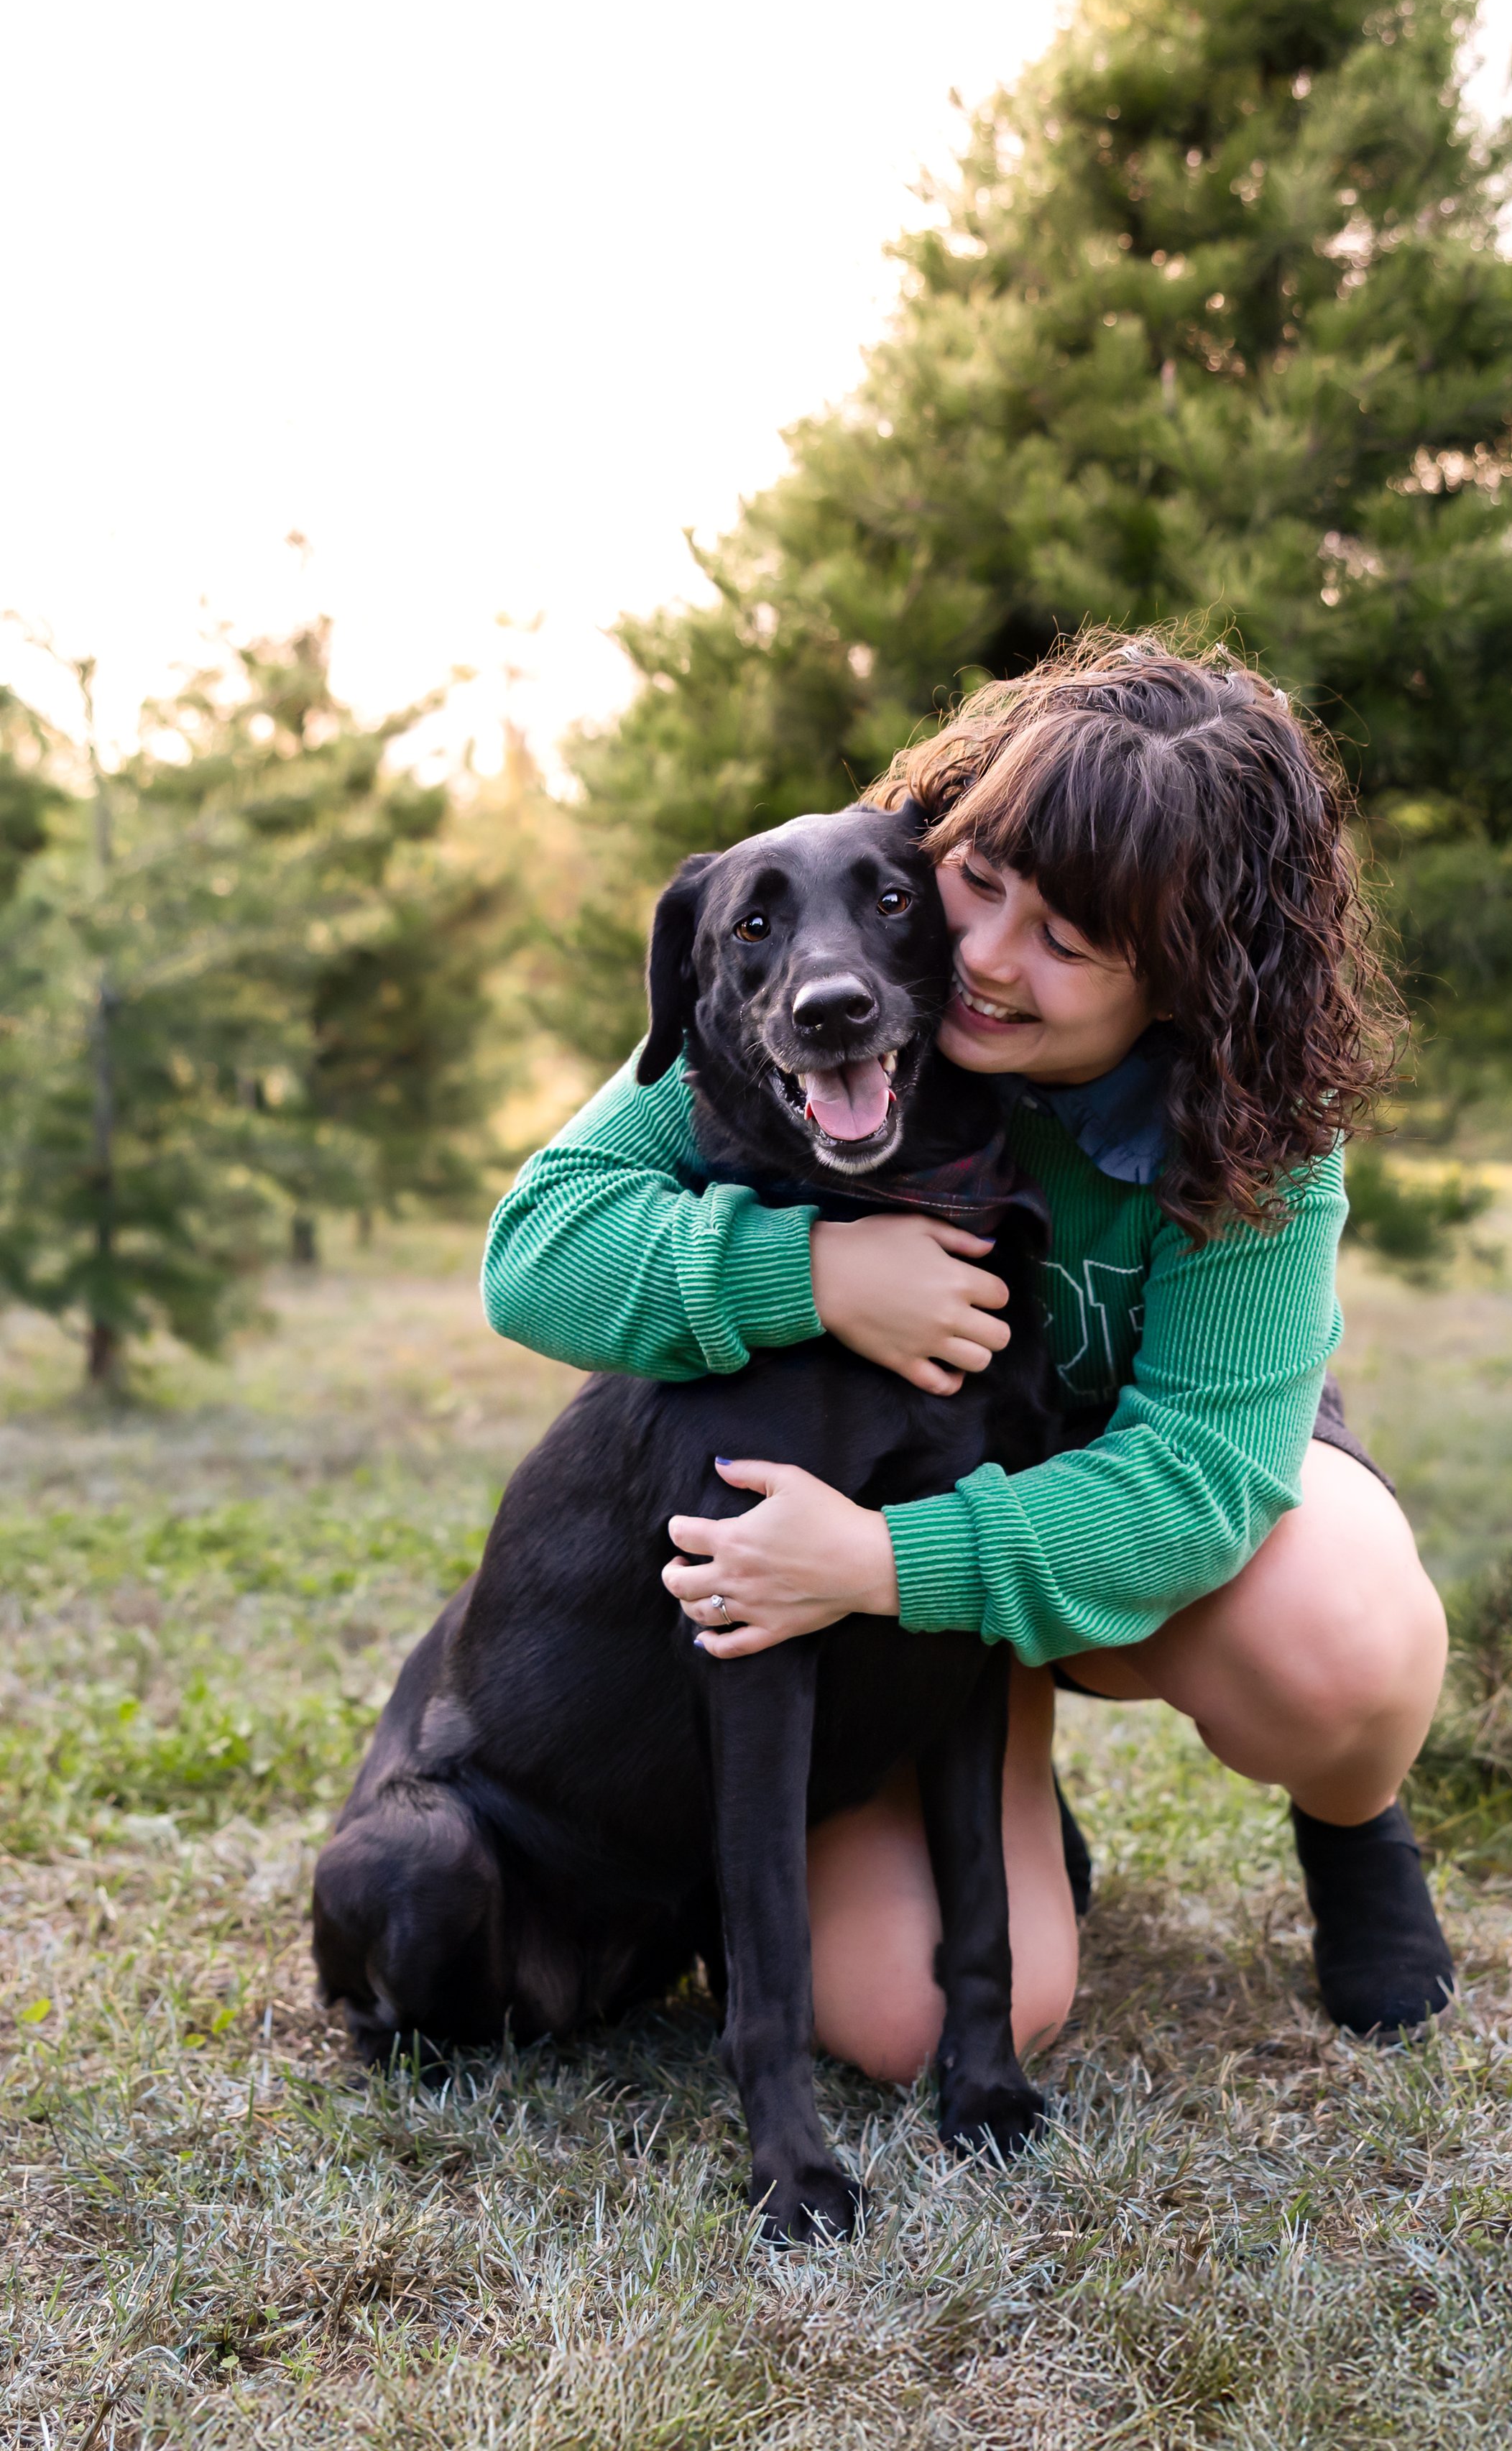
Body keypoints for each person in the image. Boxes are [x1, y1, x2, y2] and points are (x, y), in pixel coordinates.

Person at [481, 633, 1453, 2076]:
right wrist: (808, 1269)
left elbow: (1195, 1484)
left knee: (1332, 1644)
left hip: (1108, 1541)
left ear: (1183, 976)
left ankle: (1351, 1819)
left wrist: (880, 1565)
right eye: (980, 883)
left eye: (1065, 942)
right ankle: (1007, 1809)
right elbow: (538, 1246)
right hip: (916, 1619)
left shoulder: (1249, 1122)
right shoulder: (838, 997)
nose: (987, 960)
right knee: (900, 2021)